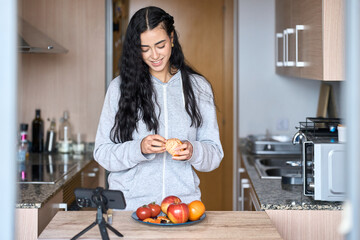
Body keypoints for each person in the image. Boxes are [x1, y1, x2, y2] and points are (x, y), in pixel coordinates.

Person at [94, 6, 223, 211]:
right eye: (144, 48)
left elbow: (214, 154)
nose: (154, 55)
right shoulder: (119, 88)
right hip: (130, 209)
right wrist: (139, 149)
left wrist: (193, 150)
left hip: (181, 208)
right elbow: (102, 153)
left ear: (172, 38)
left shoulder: (199, 87)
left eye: (160, 45)